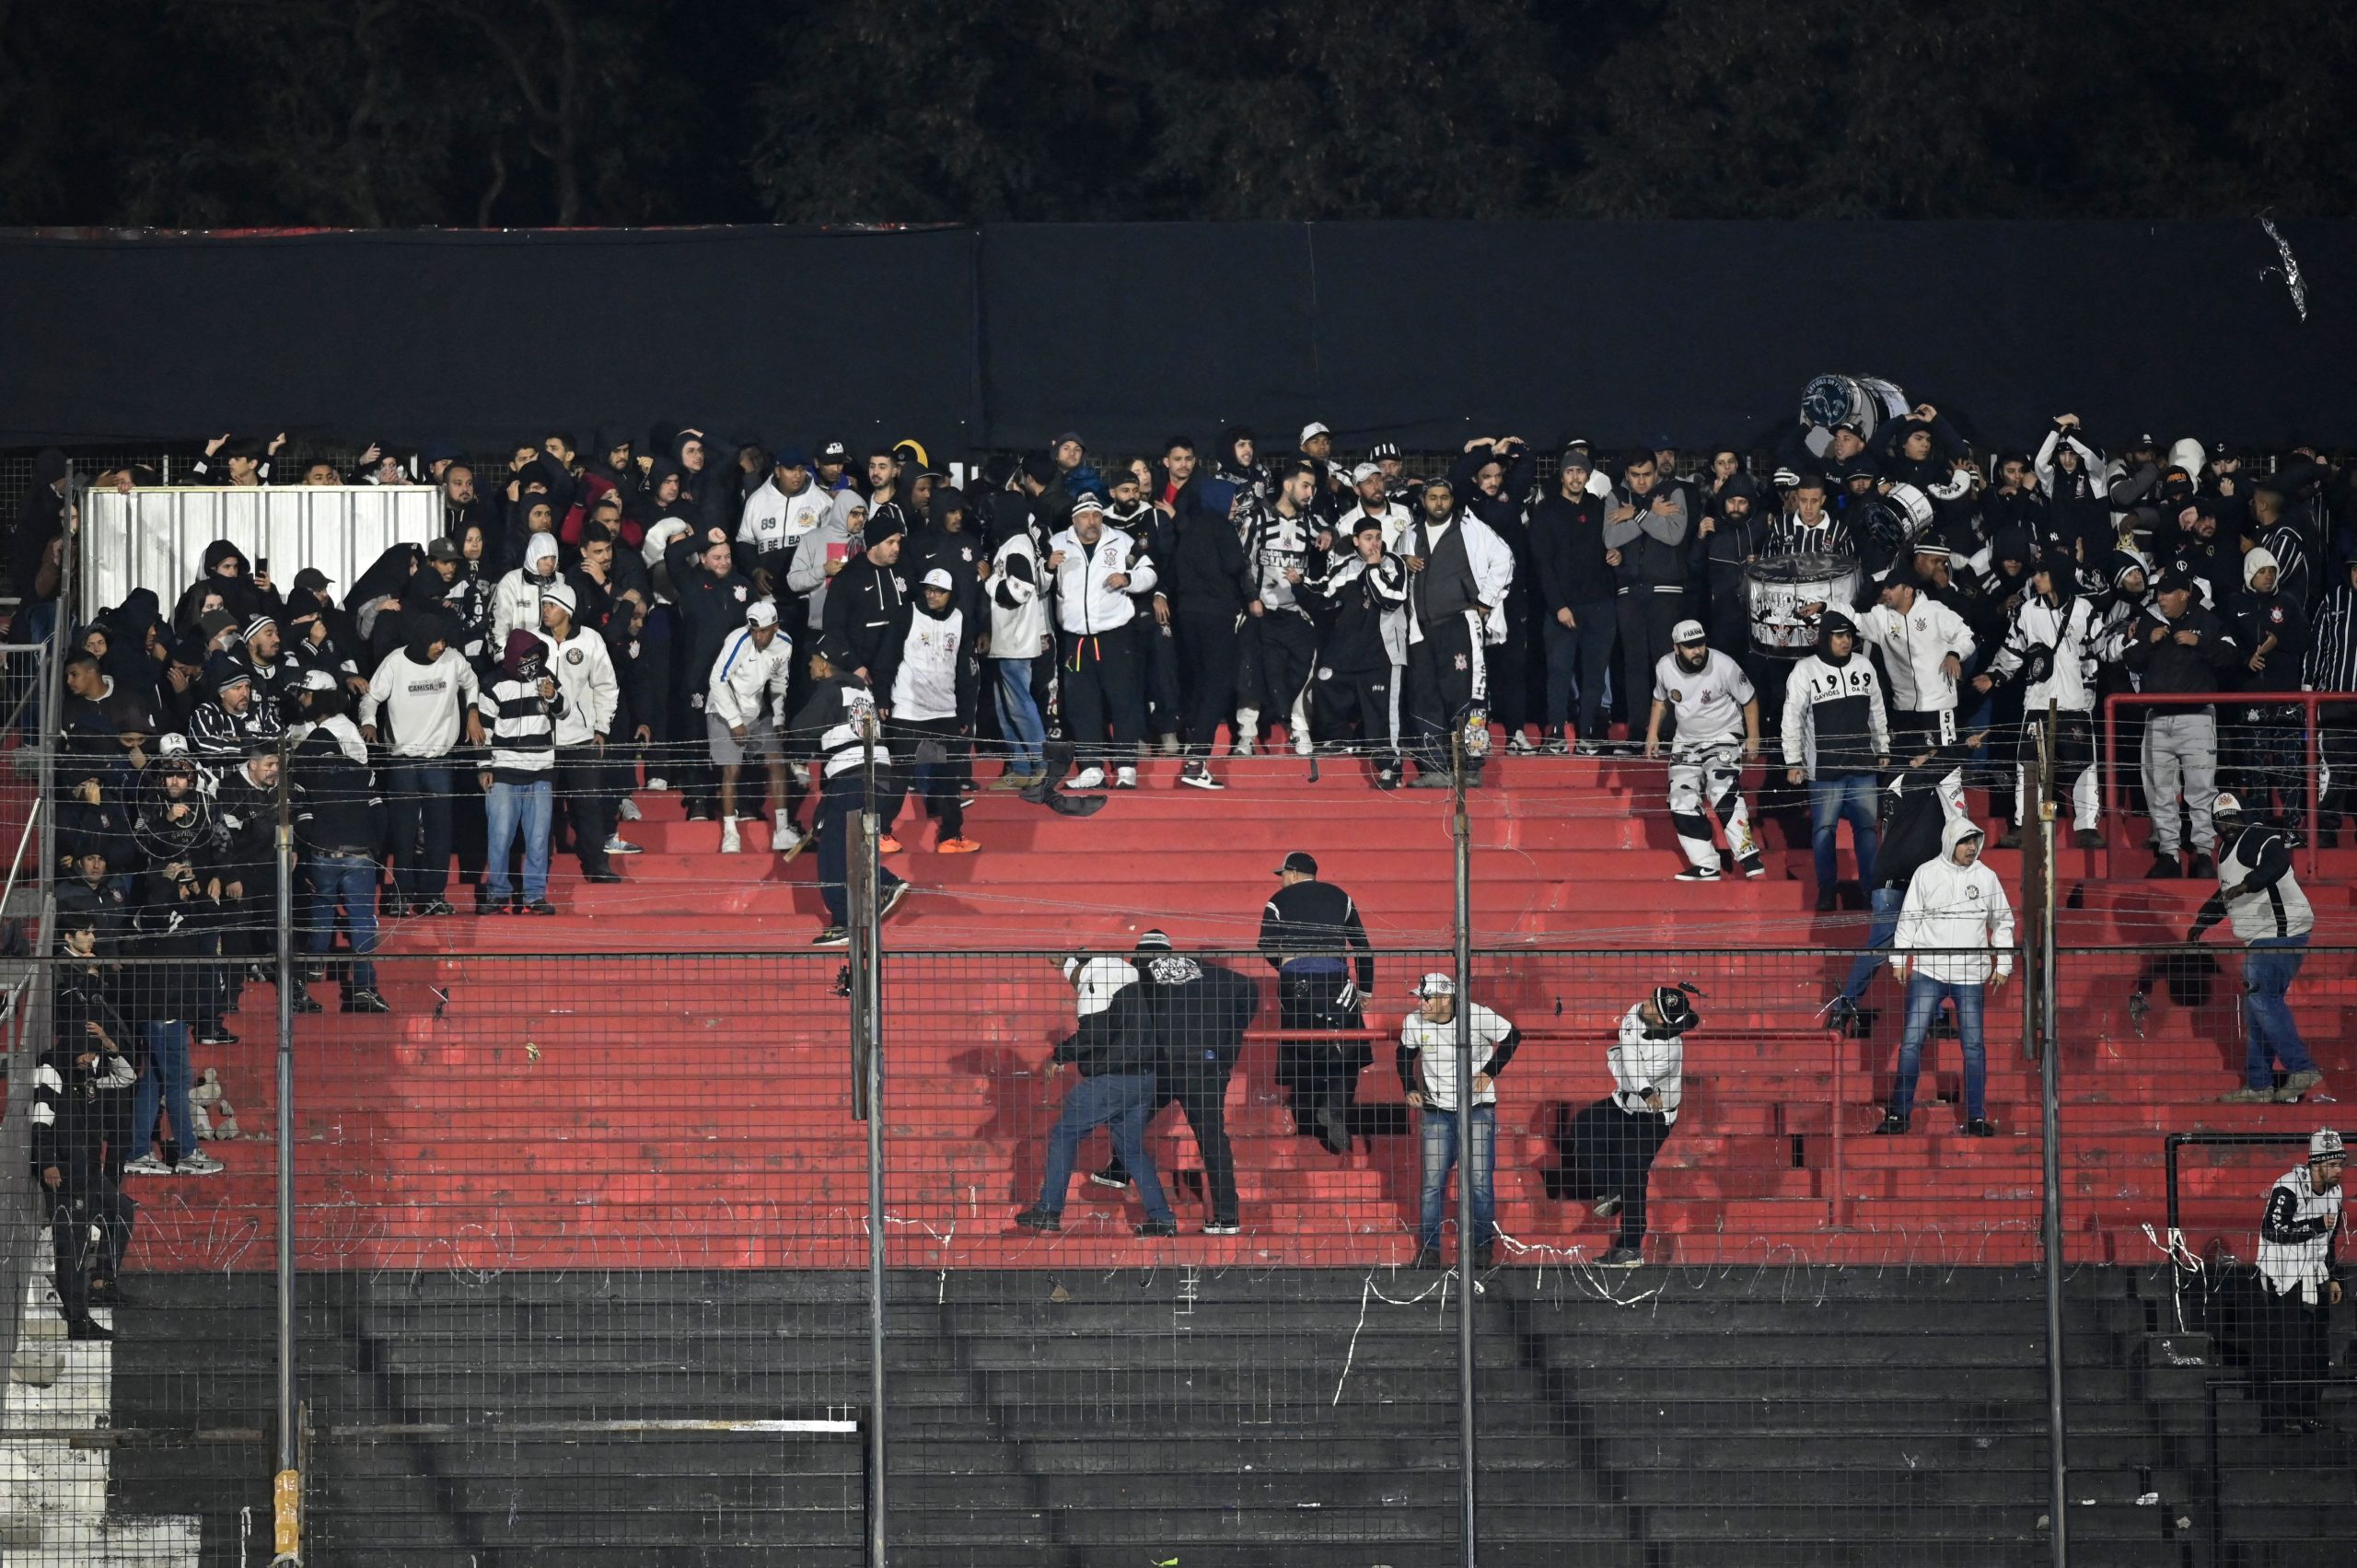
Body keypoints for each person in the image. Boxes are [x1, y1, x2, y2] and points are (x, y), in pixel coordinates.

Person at [1086, 933, 1260, 1235]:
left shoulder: (1139, 973)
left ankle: (1118, 1169)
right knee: (1212, 1139)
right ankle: (1227, 1216)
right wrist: (1230, 1036)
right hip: (1206, 1066)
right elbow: (1249, 987)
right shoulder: (1206, 970)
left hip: (1165, 1064)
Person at [1827, 733, 1988, 1037]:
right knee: (1892, 946)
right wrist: (1965, 746)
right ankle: (1847, 1007)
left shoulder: (1901, 786)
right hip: (1903, 878)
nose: (1933, 760)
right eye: (1928, 755)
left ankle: (1930, 1017)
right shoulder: (1909, 781)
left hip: (1905, 878)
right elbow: (1941, 765)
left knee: (1925, 946)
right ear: (1915, 760)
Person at [1014, 953, 1181, 1239]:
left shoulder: (1095, 983)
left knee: (1064, 1135)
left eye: (1072, 977)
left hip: (1111, 1081)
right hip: (1143, 1079)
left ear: (1079, 969)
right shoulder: (1127, 983)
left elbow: (1093, 1033)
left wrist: (1060, 1056)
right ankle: (1162, 1218)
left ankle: (1049, 1210)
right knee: (1131, 1150)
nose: (1073, 984)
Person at [31, 917, 141, 1340]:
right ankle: (77, 1318)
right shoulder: (51, 1067)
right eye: (85, 1049)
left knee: (122, 1210)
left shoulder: (91, 1073)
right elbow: (40, 1117)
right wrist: (46, 1164)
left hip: (87, 1171)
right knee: (70, 1246)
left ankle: (103, 1280)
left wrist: (111, 1047)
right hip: (63, 1173)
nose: (88, 1058)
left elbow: (129, 1075)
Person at [1877, 817, 2014, 1136]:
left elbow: (2003, 921)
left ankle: (1977, 1117)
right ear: (1951, 841)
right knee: (1911, 1043)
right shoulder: (1926, 873)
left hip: (1970, 975)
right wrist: (1899, 959)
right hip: (1929, 971)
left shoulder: (1987, 877)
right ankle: (1899, 1115)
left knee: (1974, 1048)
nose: (1971, 848)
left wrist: (2003, 963)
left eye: (1975, 842)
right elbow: (1908, 919)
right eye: (1966, 842)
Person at [1551, 983, 1700, 1267]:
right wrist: (1623, 1060)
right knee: (1584, 1125)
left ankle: (1630, 1248)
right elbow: (1629, 1064)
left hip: (1654, 1117)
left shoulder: (1668, 1052)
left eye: (1653, 1007)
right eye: (1651, 1000)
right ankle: (1613, 1189)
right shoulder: (1636, 1013)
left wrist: (1616, 1056)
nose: (1644, 1005)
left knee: (1632, 1173)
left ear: (1662, 1021)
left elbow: (1627, 1073)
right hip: (1625, 1104)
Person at [2193, 793, 2321, 1103]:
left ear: (2243, 816)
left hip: (2282, 931)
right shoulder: (2225, 852)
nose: (2228, 824)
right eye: (2222, 819)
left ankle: (2301, 1067)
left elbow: (2277, 863)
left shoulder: (2259, 835)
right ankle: (2260, 1085)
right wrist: (2201, 922)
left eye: (2233, 816)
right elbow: (2226, 894)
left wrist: (2251, 883)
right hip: (2262, 936)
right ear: (2214, 823)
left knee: (2261, 995)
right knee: (2258, 1008)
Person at [1974, 549, 2105, 848]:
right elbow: (2012, 650)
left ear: (2057, 576)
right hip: (2036, 703)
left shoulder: (2085, 609)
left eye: (2042, 573)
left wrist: (2089, 693)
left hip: (2075, 704)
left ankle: (2086, 828)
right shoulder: (2027, 611)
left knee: (2083, 766)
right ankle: (2024, 825)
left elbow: (2098, 651)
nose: (2036, 578)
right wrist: (1993, 676)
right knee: (2027, 766)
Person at [788, 636, 909, 947]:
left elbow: (801, 728)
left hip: (851, 776)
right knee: (851, 845)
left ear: (825, 664)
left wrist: (795, 758)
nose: (810, 665)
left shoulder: (829, 690)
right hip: (881, 778)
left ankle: (848, 915)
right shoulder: (862, 690)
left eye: (813, 659)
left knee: (833, 854)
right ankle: (877, 890)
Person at [360, 612, 482, 915]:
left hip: (439, 760)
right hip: (403, 761)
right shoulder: (395, 662)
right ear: (420, 640)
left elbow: (472, 682)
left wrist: (473, 711)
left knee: (439, 833)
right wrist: (368, 722)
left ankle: (432, 895)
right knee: (403, 833)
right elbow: (371, 698)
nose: (441, 646)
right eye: (436, 641)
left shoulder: (454, 660)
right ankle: (401, 894)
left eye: (444, 640)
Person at [2123, 568, 2240, 878]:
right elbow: (2130, 659)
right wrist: (2147, 641)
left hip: (2196, 716)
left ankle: (2203, 853)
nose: (2160, 598)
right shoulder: (2150, 620)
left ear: (2185, 593)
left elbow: (2231, 657)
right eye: (2158, 593)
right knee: (2158, 790)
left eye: (2167, 593)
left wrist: (2198, 643)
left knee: (2201, 790)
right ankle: (2168, 854)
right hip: (2157, 717)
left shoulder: (2207, 619)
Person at [1257, 851, 1376, 1154]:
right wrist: (1364, 991)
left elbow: (1265, 944)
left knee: (1300, 1040)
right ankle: (1334, 1108)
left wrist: (1285, 967)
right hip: (1334, 979)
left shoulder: (1278, 900)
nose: (1281, 881)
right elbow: (1362, 945)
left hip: (1295, 983)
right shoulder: (1340, 896)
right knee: (1347, 1044)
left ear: (1294, 873)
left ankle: (1305, 1108)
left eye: (1283, 874)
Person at [1399, 972, 1519, 1270]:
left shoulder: (1476, 1016)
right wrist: (1410, 1087)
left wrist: (1491, 1071)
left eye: (1426, 998)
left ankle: (1481, 1249)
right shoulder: (1414, 1022)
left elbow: (1512, 1035)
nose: (1421, 1003)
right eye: (1420, 997)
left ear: (1445, 998)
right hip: (1436, 1110)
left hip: (1478, 1108)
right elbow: (1403, 1055)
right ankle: (1429, 1251)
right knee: (1432, 1183)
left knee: (1479, 1181)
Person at [1400, 475, 1512, 786]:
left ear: (1452, 500)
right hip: (1420, 629)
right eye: (1432, 497)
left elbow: (1504, 559)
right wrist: (1401, 559)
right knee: (1425, 697)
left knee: (1468, 695)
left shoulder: (1470, 528)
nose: (1438, 503)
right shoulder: (1410, 534)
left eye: (1444, 497)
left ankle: (1470, 767)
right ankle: (1434, 769)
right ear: (1423, 501)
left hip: (1459, 624)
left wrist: (1486, 601)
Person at [290, 691, 392, 1015]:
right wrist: (373, 846)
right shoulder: (362, 771)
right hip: (360, 854)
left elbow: (302, 821)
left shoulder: (306, 777)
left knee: (321, 911)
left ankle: (310, 976)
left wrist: (312, 849)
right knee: (362, 919)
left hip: (324, 855)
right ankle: (362, 989)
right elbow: (380, 814)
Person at [1780, 610, 1888, 909]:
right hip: (1823, 767)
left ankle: (1870, 892)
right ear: (1825, 638)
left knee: (1867, 830)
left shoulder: (1864, 665)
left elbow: (1876, 710)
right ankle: (1827, 890)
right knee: (1824, 831)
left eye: (1849, 636)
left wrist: (1883, 748)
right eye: (1839, 636)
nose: (1845, 641)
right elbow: (1792, 718)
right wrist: (1793, 761)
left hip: (1862, 765)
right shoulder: (1805, 670)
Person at [1048, 493, 1155, 790]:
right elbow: (1040, 583)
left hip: (1115, 635)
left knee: (1123, 701)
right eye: (1085, 516)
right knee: (1082, 705)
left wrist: (1128, 579)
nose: (1092, 522)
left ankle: (1126, 767)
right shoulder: (1057, 542)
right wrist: (1047, 567)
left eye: (1096, 515)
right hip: (1076, 639)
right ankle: (1091, 767)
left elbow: (1149, 571)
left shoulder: (1121, 541)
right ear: (1074, 520)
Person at [1647, 618, 1763, 881]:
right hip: (1686, 740)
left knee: (1722, 790)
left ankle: (1748, 855)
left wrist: (1753, 736)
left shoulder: (1723, 665)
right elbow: (1660, 700)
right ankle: (1705, 864)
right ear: (1676, 647)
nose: (1697, 651)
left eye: (1700, 644)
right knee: (1680, 798)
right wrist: (1652, 733)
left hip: (1723, 735)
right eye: (1689, 646)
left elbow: (1750, 699)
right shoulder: (1664, 666)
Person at [1854, 569, 1976, 818]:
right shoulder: (1881, 617)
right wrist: (1825, 607)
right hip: (1903, 710)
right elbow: (1853, 620)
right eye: (1883, 588)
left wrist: (1954, 654)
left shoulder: (1935, 611)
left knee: (1946, 771)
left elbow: (1967, 636)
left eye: (1890, 587)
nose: (1885, 593)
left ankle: (1960, 829)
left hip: (1938, 708)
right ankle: (1909, 829)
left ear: (1907, 590)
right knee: (1905, 769)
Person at [2249, 1128, 2344, 1434]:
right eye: (2332, 1165)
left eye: (2340, 1164)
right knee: (2289, 1351)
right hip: (2284, 1277)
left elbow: (2330, 1241)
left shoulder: (2335, 1194)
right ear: (2316, 1164)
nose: (2339, 1171)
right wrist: (2316, 1224)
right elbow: (2272, 1230)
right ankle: (2281, 1418)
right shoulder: (2287, 1187)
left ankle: (2307, 1413)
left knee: (2317, 1351)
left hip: (2314, 1276)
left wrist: (2332, 1278)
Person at [1308, 515, 1409, 783]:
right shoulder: (1345, 566)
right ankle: (1337, 740)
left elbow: (1390, 600)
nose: (1374, 543)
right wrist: (1297, 584)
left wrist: (1374, 568)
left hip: (1383, 653)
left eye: (1377, 537)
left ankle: (1390, 765)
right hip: (1348, 650)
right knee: (1324, 683)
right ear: (1355, 541)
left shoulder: (1393, 563)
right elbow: (1322, 594)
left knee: (1382, 714)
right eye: (1368, 538)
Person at [888, 568, 981, 854]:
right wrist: (882, 700)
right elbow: (887, 657)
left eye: (938, 591)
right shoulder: (908, 614)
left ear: (950, 594)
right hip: (908, 709)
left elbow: (966, 672)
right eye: (928, 588)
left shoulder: (959, 619)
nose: (931, 594)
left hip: (943, 711)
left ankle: (951, 835)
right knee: (900, 775)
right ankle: (880, 832)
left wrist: (965, 714)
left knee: (948, 776)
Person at [1606, 453, 1692, 753]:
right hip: (1628, 590)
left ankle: (1667, 734)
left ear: (1656, 473)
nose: (1641, 480)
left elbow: (1673, 535)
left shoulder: (1673, 492)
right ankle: (1635, 732)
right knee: (1634, 664)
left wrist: (1637, 513)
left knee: (1666, 663)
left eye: (1646, 474)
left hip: (1666, 590)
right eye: (1635, 474)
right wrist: (1650, 513)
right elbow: (1609, 537)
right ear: (1627, 475)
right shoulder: (1616, 496)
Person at [475, 630, 563, 915]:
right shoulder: (493, 683)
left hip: (540, 771)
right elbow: (483, 732)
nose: (531, 662)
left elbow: (564, 712)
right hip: (503, 773)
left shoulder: (546, 677)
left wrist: (554, 697)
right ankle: (498, 893)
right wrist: (484, 766)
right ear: (514, 654)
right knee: (499, 836)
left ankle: (535, 895)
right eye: (526, 656)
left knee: (539, 838)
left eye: (536, 656)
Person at [705, 599, 794, 855]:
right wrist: (734, 721)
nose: (758, 635)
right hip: (723, 709)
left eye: (763, 630)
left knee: (777, 761)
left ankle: (782, 830)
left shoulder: (784, 644)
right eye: (754, 630)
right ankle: (731, 833)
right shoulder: (739, 640)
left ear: (775, 627)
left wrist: (778, 718)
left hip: (756, 710)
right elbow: (717, 679)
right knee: (732, 770)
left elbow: (779, 683)